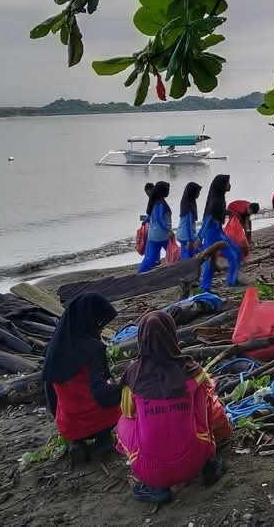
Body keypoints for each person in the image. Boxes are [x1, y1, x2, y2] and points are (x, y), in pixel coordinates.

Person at [117, 311, 232, 504]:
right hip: (195, 459)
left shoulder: (133, 375)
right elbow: (208, 406)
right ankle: (209, 465)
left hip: (149, 469)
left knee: (123, 421)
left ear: (141, 339)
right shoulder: (191, 370)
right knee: (205, 408)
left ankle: (156, 487)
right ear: (172, 334)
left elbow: (128, 411)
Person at [42, 293, 121, 460]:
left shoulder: (52, 348)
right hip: (98, 419)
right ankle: (103, 440)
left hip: (68, 424)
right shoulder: (94, 348)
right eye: (100, 324)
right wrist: (124, 387)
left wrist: (58, 419)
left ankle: (76, 442)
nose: (101, 330)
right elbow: (100, 392)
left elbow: (49, 391)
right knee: (124, 394)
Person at [198, 175, 241, 291]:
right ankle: (205, 286)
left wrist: (228, 212)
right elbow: (208, 219)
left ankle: (232, 280)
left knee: (236, 253)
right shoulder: (216, 200)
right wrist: (200, 237)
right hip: (212, 232)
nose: (229, 185)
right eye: (228, 183)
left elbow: (217, 212)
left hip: (218, 230)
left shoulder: (219, 198)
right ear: (222, 185)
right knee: (211, 259)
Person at [139, 182, 172, 273]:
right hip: (162, 235)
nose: (168, 192)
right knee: (172, 252)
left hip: (152, 235)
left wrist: (144, 222)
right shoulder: (160, 203)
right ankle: (179, 270)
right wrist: (169, 230)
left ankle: (139, 274)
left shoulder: (152, 202)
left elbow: (149, 217)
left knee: (150, 258)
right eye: (167, 190)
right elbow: (159, 218)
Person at [177, 182, 203, 261]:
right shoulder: (189, 206)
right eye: (197, 192)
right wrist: (190, 240)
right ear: (193, 193)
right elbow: (188, 224)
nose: (199, 194)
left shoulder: (186, 202)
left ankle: (183, 268)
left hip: (181, 233)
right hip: (186, 235)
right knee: (193, 252)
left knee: (185, 253)